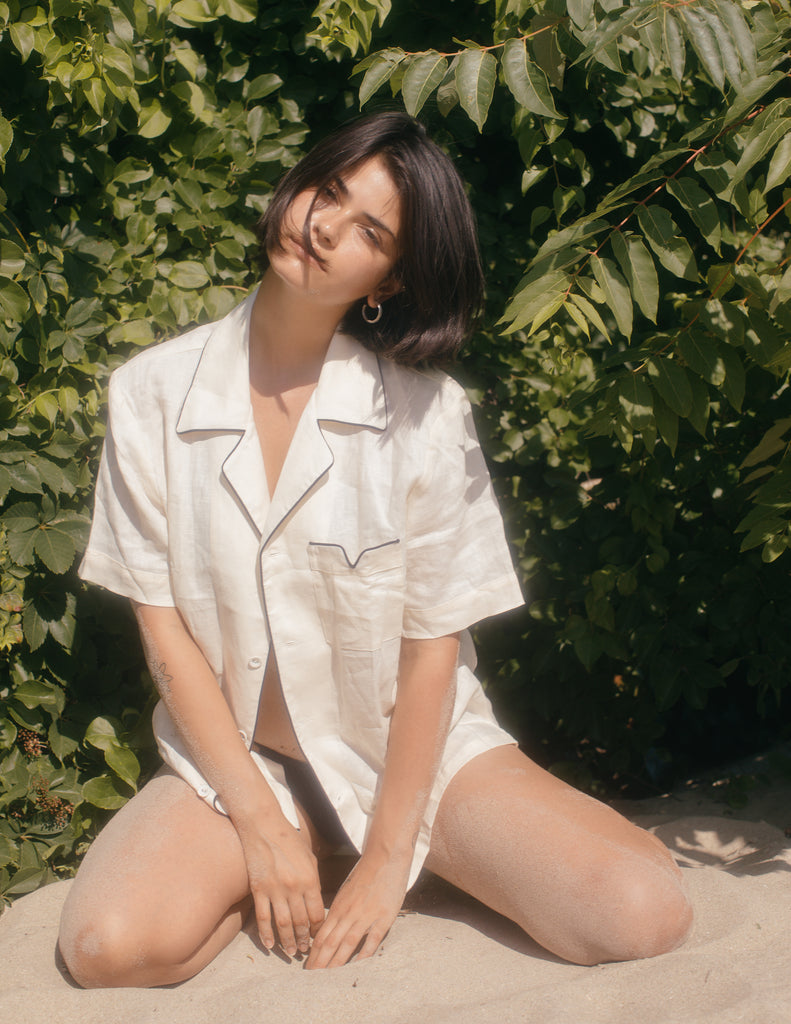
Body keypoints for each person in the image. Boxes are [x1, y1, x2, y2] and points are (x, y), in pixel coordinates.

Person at [58, 112, 692, 988]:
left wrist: (391, 859)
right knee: (107, 950)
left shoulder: (426, 416)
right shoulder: (150, 394)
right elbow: (162, 630)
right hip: (245, 765)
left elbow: (433, 646)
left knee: (640, 913)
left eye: (369, 231)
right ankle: (296, 851)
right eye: (327, 192)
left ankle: (441, 839)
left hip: (403, 756)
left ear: (387, 281)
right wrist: (261, 826)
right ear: (296, 187)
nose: (323, 228)